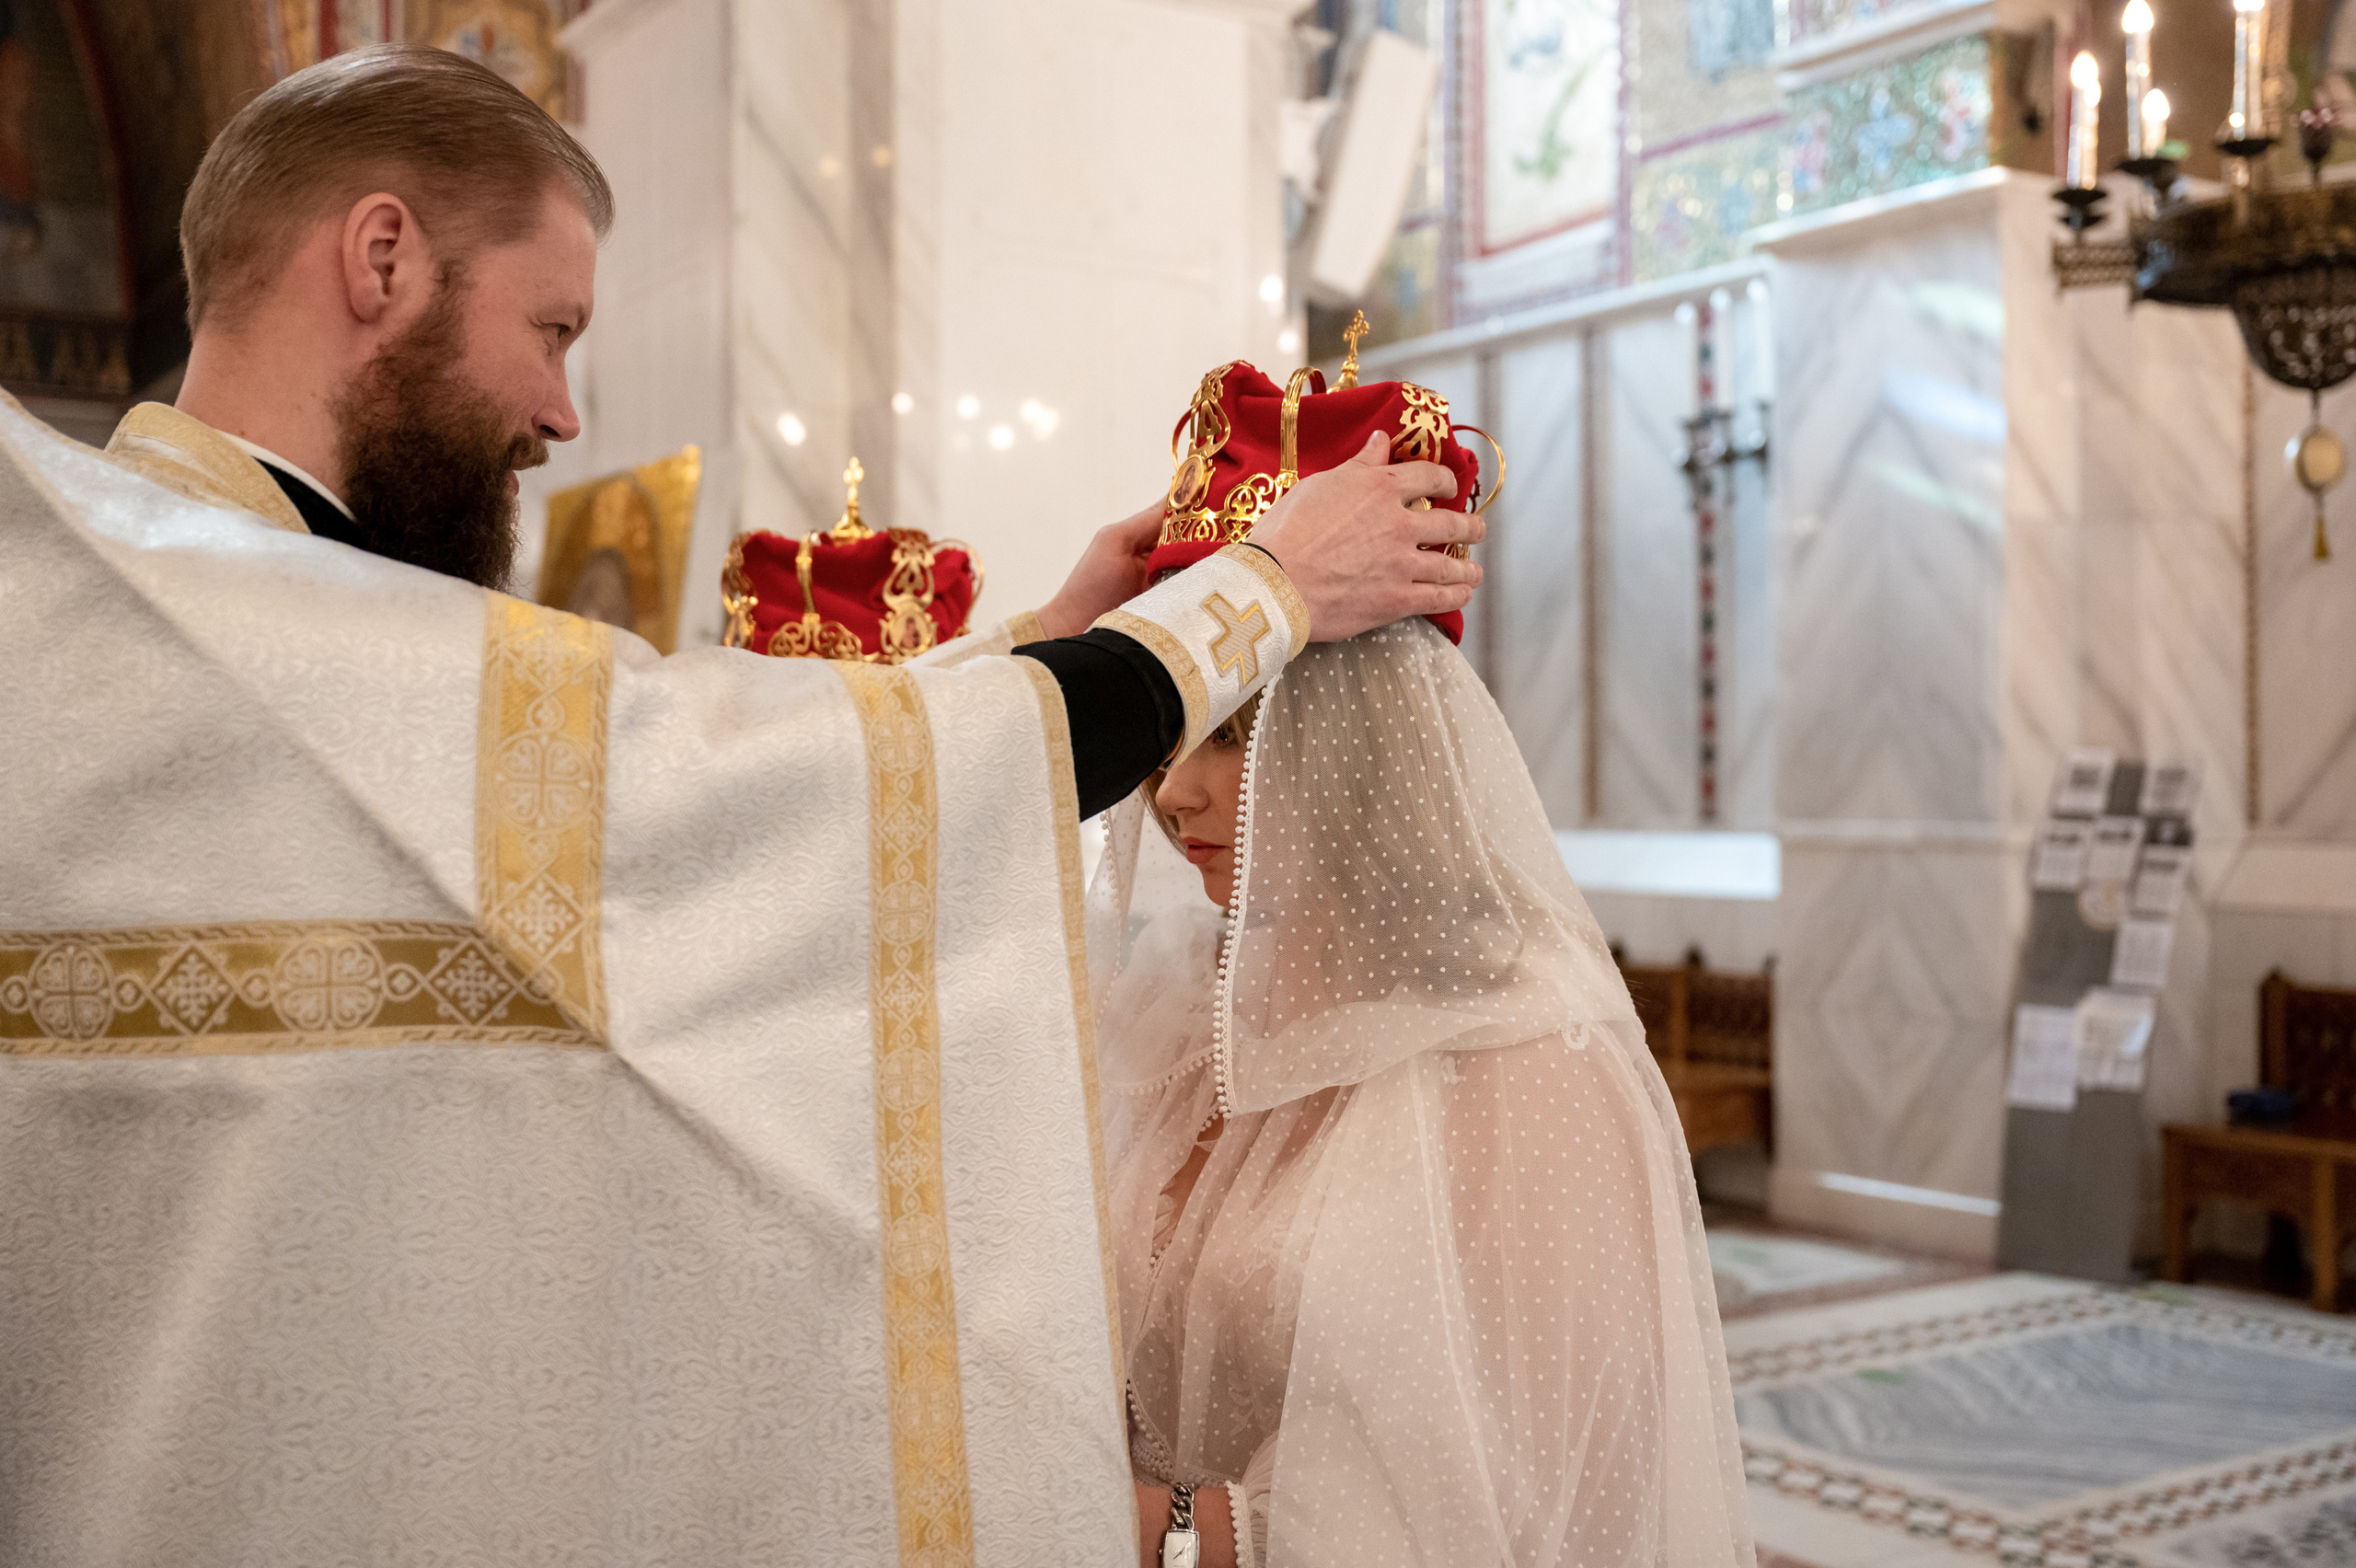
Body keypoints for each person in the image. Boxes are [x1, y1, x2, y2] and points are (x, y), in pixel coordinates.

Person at [0, 44, 1480, 1567]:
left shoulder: (96, 596)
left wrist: (1037, 654)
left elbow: (693, 804)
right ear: (382, 254)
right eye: (553, 327)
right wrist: (1259, 597)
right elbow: (693, 800)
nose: (564, 416)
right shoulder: (261, 631)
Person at [1091, 617, 1755, 1567]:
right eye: (1172, 740)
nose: (1175, 793)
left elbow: (1540, 1460)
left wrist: (1179, 1533)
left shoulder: (1528, 1057)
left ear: (1358, 755)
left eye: (1236, 738)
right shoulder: (1179, 1002)